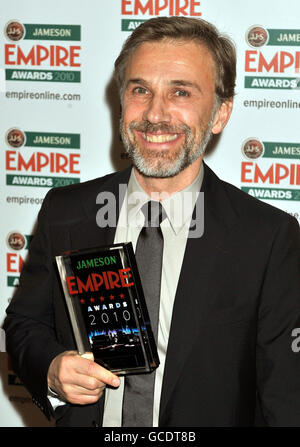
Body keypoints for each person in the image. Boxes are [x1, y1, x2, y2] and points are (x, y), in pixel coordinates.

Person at [4, 16, 300, 427]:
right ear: (121, 101)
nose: (155, 114)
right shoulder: (66, 211)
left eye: (181, 92)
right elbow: (24, 323)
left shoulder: (267, 239)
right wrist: (52, 369)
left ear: (219, 114)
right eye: (140, 90)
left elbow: (284, 401)